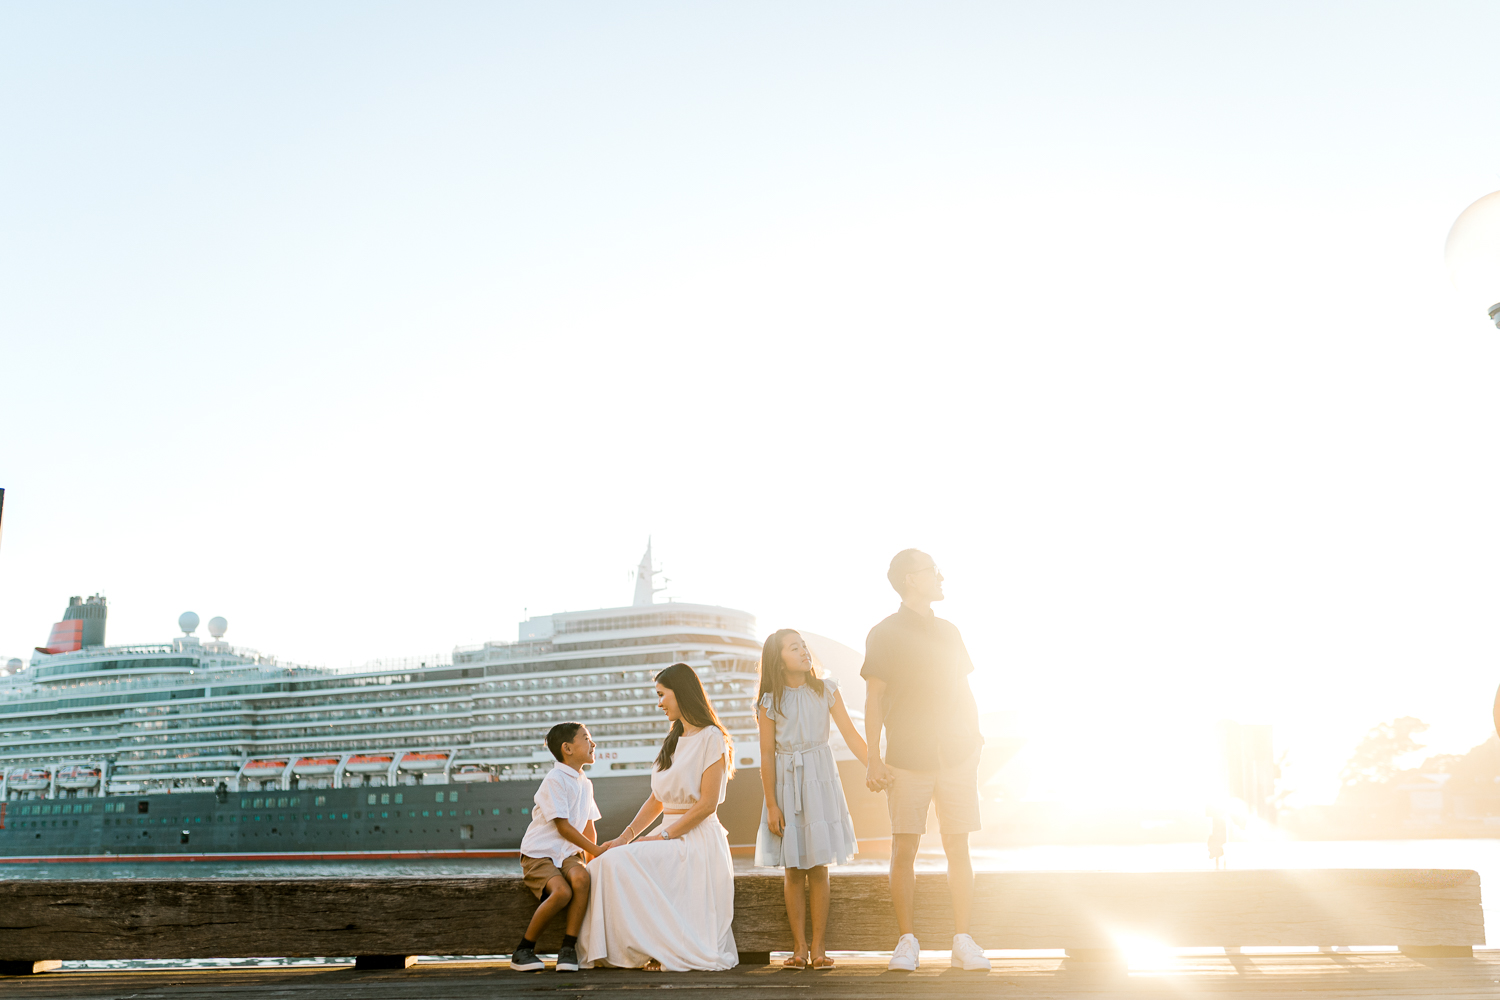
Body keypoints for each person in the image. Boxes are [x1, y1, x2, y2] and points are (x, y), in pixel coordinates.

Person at [862, 548, 991, 972]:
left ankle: (964, 939)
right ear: (910, 579)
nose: (941, 578)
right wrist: (873, 760)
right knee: (905, 847)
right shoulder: (883, 633)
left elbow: (964, 690)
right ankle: (907, 941)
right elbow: (874, 699)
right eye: (934, 571)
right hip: (905, 756)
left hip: (956, 754)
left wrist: (975, 740)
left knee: (959, 844)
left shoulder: (950, 631)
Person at [577, 662, 739, 971]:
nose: (659, 703)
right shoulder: (672, 740)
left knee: (614, 864)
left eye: (662, 694)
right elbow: (656, 800)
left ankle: (649, 946)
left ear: (682, 693)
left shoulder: (712, 737)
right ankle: (632, 947)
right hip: (670, 835)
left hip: (696, 839)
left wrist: (665, 835)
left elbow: (707, 805)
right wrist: (625, 838)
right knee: (602, 862)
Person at [755, 628, 868, 970]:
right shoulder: (769, 701)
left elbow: (850, 734)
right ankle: (798, 947)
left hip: (820, 778)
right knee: (793, 868)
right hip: (787, 784)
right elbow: (765, 755)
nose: (804, 651)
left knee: (818, 866)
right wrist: (772, 805)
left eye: (804, 646)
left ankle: (819, 947)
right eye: (794, 647)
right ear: (779, 659)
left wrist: (876, 767)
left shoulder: (826, 690)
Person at [511, 722, 605, 973]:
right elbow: (563, 827)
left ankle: (567, 949)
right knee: (562, 892)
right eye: (586, 738)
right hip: (540, 853)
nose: (592, 743)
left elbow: (588, 827)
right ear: (567, 748)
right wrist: (596, 850)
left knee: (582, 878)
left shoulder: (585, 783)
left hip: (567, 853)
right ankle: (523, 949)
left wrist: (592, 858)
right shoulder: (555, 779)